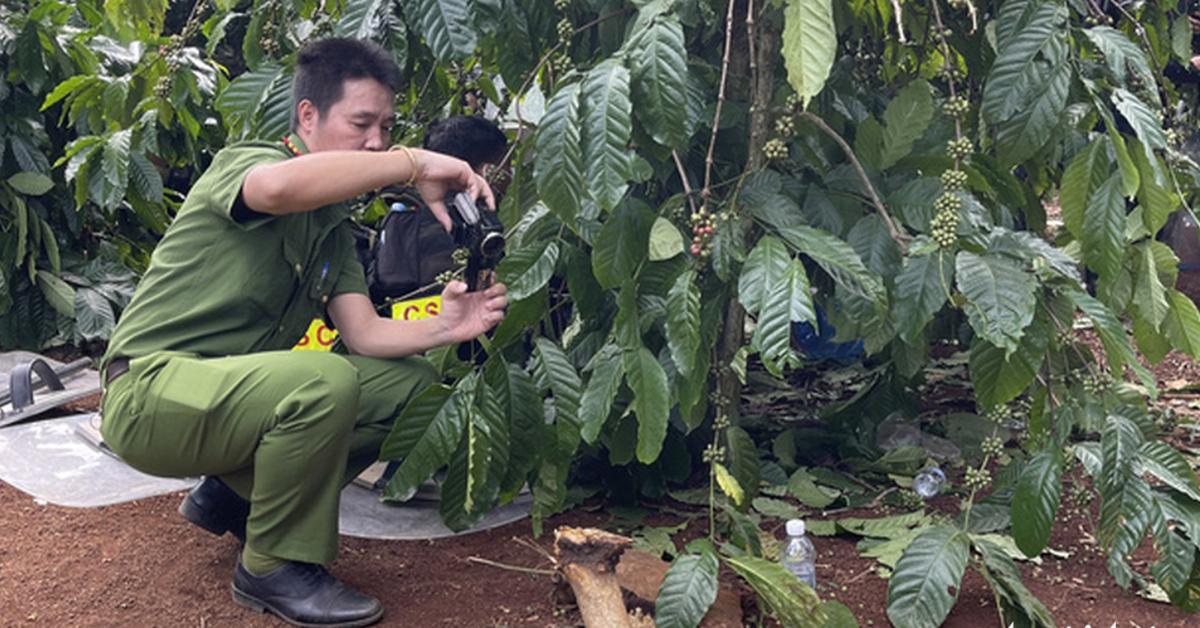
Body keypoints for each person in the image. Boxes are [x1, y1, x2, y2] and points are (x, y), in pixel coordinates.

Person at [98, 38, 507, 628]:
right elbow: (277, 190)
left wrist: (446, 327)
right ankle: (271, 566)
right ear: (308, 117)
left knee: (408, 385)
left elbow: (364, 334)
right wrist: (417, 162)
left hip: (227, 398)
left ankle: (234, 496)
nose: (376, 143)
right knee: (322, 378)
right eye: (361, 123)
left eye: (388, 128)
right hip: (149, 396)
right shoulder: (248, 163)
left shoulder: (331, 227)